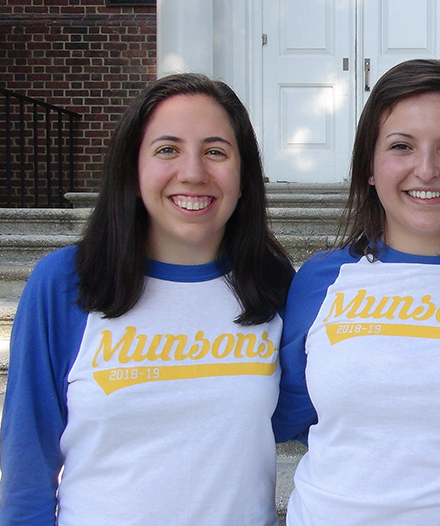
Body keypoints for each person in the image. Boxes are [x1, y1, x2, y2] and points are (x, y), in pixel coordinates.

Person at [0, 73, 294, 525]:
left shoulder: (272, 285)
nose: (194, 173)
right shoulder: (65, 282)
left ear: (244, 176)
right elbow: (28, 457)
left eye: (216, 152)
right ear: (133, 171)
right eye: (167, 150)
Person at [272, 59, 440, 525]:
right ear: (371, 167)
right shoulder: (320, 280)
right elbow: (291, 414)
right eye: (401, 146)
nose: (426, 169)